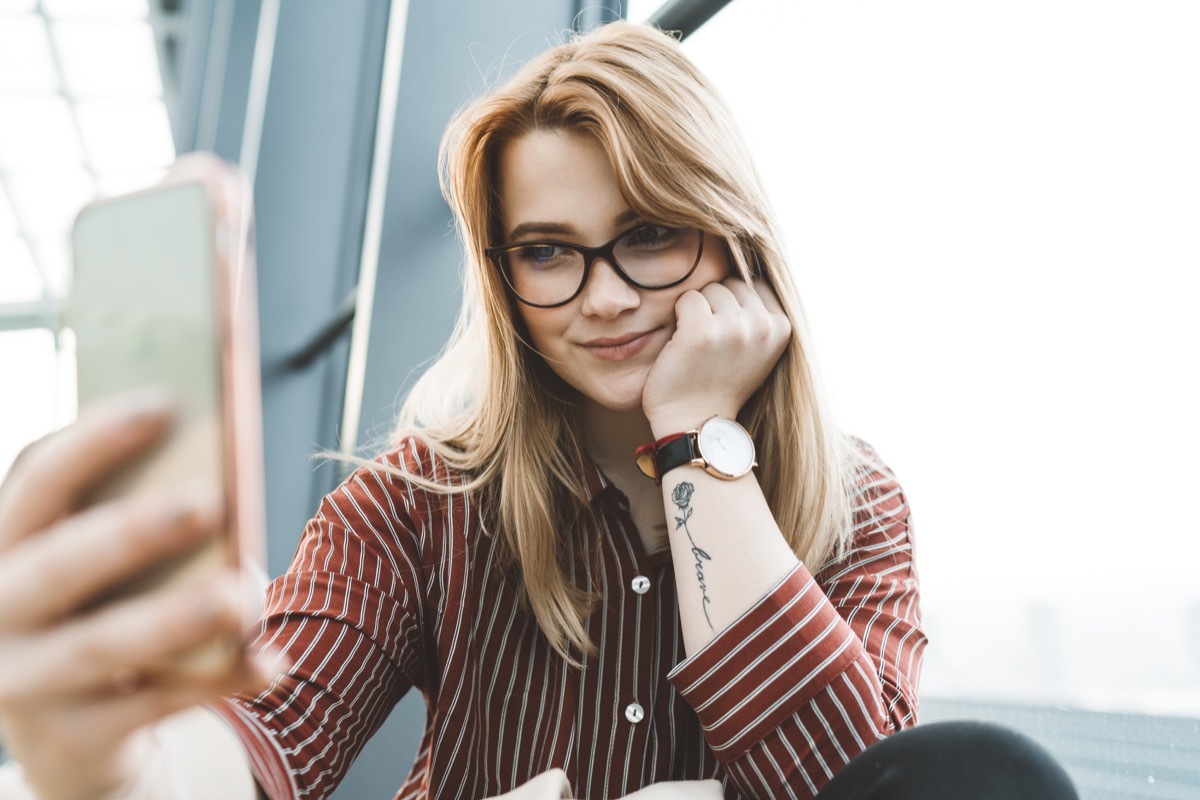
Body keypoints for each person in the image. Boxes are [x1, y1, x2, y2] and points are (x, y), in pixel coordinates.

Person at [0, 20, 1078, 800]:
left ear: (732, 239)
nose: (604, 297)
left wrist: (699, 438)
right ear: (504, 275)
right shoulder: (418, 504)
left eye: (650, 235)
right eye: (548, 252)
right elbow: (259, 739)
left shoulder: (859, 502)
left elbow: (863, 783)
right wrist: (111, 769)